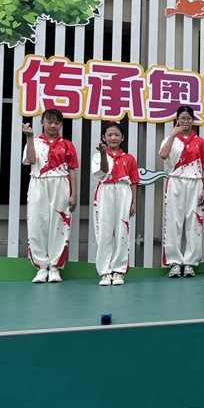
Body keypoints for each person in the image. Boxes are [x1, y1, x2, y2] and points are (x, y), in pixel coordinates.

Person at [22, 109, 78, 283]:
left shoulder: (67, 144)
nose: (52, 126)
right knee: (37, 223)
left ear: (61, 124)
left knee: (59, 224)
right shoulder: (35, 142)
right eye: (49, 122)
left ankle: (54, 267)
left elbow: (72, 170)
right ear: (42, 123)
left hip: (61, 184)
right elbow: (31, 161)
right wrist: (29, 137)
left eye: (56, 122)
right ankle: (41, 267)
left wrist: (74, 193)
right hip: (38, 183)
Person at [159, 105, 204, 277]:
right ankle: (175, 263)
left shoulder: (200, 142)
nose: (185, 121)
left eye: (188, 118)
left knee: (194, 222)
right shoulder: (170, 138)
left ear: (193, 121)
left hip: (195, 182)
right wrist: (173, 135)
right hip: (175, 181)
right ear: (177, 119)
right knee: (173, 222)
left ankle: (190, 263)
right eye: (182, 118)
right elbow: (163, 155)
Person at [92, 122, 139, 286]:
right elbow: (103, 171)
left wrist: (134, 201)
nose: (113, 138)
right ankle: (105, 272)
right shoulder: (98, 156)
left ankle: (118, 271)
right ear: (103, 138)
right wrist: (104, 153)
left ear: (122, 137)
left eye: (117, 135)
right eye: (109, 135)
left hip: (124, 192)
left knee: (122, 232)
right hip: (105, 191)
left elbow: (134, 182)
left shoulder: (129, 158)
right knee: (105, 233)